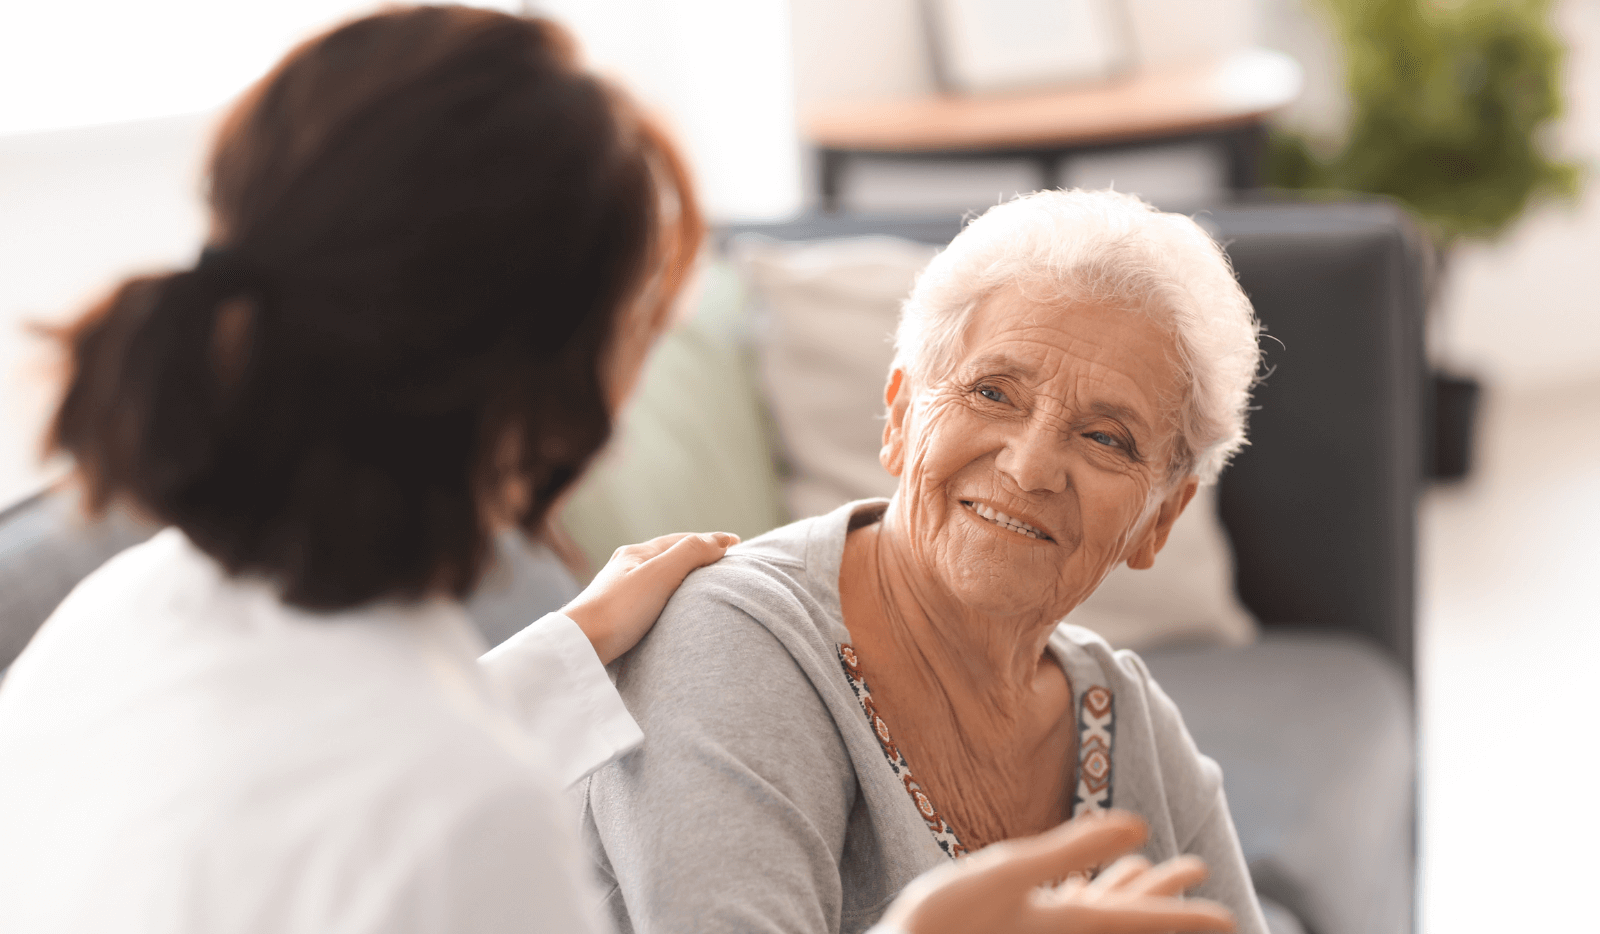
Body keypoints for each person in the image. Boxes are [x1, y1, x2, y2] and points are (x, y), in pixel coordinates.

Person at [0, 7, 1236, 934]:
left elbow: (301, 782)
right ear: (568, 387)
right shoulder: (457, 811)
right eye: (644, 317)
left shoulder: (122, 616)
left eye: (1107, 436)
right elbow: (382, 800)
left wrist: (559, 652)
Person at [582, 188, 1271, 934]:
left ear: (1159, 520)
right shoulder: (731, 642)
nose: (1031, 465)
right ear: (903, 417)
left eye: (1107, 438)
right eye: (994, 392)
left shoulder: (1125, 719)